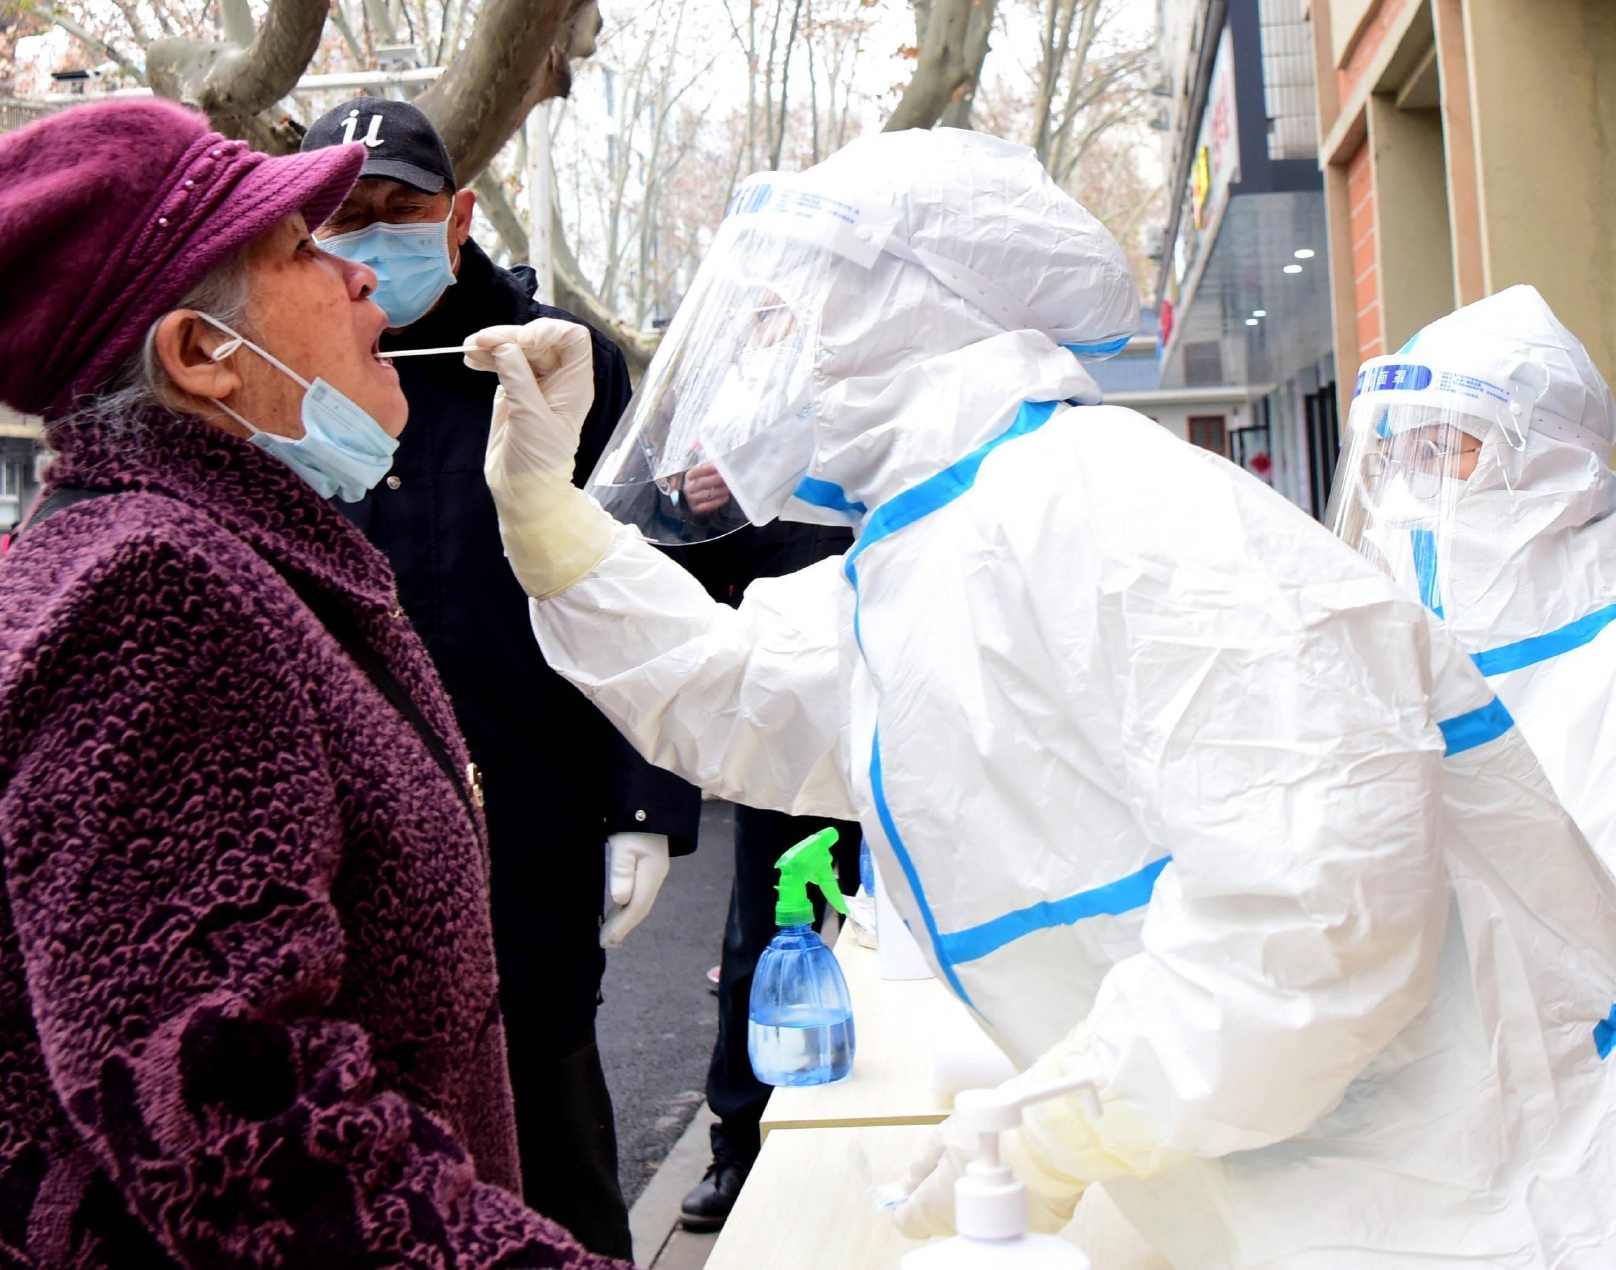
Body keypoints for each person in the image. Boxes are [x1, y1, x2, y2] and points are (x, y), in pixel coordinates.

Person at [463, 127, 1616, 1268]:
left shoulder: (1131, 519)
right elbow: (737, 692)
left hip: (1486, 1197)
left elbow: (1319, 907)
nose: (756, 355)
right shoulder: (928, 552)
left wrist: (1063, 1120)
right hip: (1285, 1182)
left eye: (778, 312)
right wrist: (543, 517)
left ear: (899, 308)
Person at [0, 100, 625, 1270]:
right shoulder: (149, 596)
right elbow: (242, 1127)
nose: (360, 278)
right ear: (200, 354)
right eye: (303, 247)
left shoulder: (204, 550)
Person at [297, 97, 700, 1259]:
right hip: (357, 823)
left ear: (459, 213)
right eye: (342, 219)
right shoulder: (299, 373)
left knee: (546, 1105)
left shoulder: (558, 360)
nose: (369, 239)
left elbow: (645, 582)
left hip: (533, 799)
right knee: (375, 1127)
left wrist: (646, 803)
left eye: (400, 213)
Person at [1330, 284, 1616, 871]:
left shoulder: (1601, 663)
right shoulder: (1407, 653)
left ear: (1548, 460)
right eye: (1394, 460)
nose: (1408, 495)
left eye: (1435, 452)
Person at [666, 517, 863, 1231]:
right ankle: (740, 1150)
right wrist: (697, 505)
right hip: (790, 738)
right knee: (763, 945)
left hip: (914, 722)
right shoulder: (762, 434)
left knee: (924, 946)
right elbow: (681, 568)